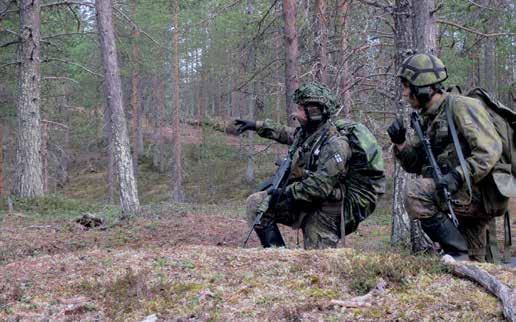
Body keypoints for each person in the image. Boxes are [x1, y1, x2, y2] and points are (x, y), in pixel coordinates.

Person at [388, 53, 508, 261]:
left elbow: (489, 150)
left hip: (473, 193)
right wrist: (400, 143)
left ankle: (456, 252)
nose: (405, 94)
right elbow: (415, 164)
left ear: (424, 88)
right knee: (475, 265)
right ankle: (461, 257)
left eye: (408, 87)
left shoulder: (462, 106)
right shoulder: (427, 118)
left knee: (415, 192)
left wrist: (458, 175)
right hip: (453, 194)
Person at [235, 82, 385, 249]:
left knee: (317, 263)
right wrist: (256, 125)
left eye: (300, 109)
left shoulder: (335, 144)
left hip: (325, 211)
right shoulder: (309, 133)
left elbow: (320, 187)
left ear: (314, 112)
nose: (295, 114)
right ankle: (277, 256)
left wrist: (285, 192)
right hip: (305, 200)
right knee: (256, 203)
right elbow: (286, 133)